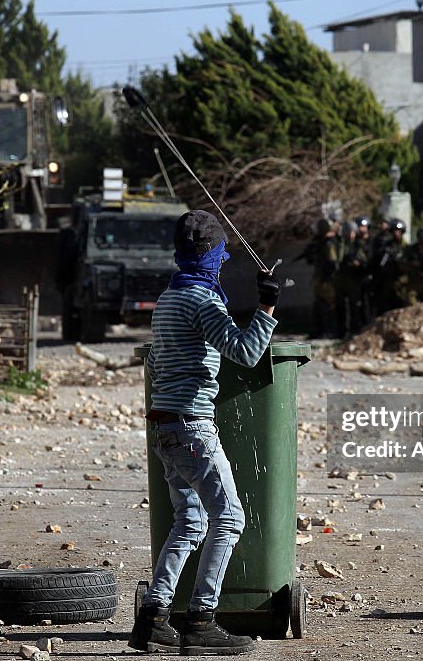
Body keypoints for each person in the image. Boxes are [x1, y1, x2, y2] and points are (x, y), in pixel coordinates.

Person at [129, 210, 282, 656]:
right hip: (193, 427)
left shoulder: (168, 299)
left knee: (191, 520)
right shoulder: (203, 301)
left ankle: (152, 619)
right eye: (221, 255)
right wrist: (267, 306)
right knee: (230, 518)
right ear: (215, 256)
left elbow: (156, 362)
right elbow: (249, 352)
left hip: (165, 427)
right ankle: (201, 620)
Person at [295, 218, 338, 338]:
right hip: (320, 277)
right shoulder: (319, 242)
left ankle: (329, 331)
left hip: (328, 279)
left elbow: (332, 262)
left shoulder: (330, 242)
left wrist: (326, 276)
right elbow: (312, 259)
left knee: (328, 305)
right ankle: (319, 330)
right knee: (319, 304)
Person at [334, 219, 369, 337]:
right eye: (349, 232)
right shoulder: (340, 245)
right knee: (341, 307)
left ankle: (355, 330)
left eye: (353, 232)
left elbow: (365, 261)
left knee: (355, 307)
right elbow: (336, 260)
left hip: (354, 280)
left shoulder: (359, 245)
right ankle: (341, 331)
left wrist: (358, 263)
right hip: (341, 280)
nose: (351, 235)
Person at [372, 218, 407, 313]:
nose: (396, 233)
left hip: (401, 281)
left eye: (399, 231)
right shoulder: (386, 245)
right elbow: (378, 263)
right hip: (387, 280)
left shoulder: (405, 246)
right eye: (394, 231)